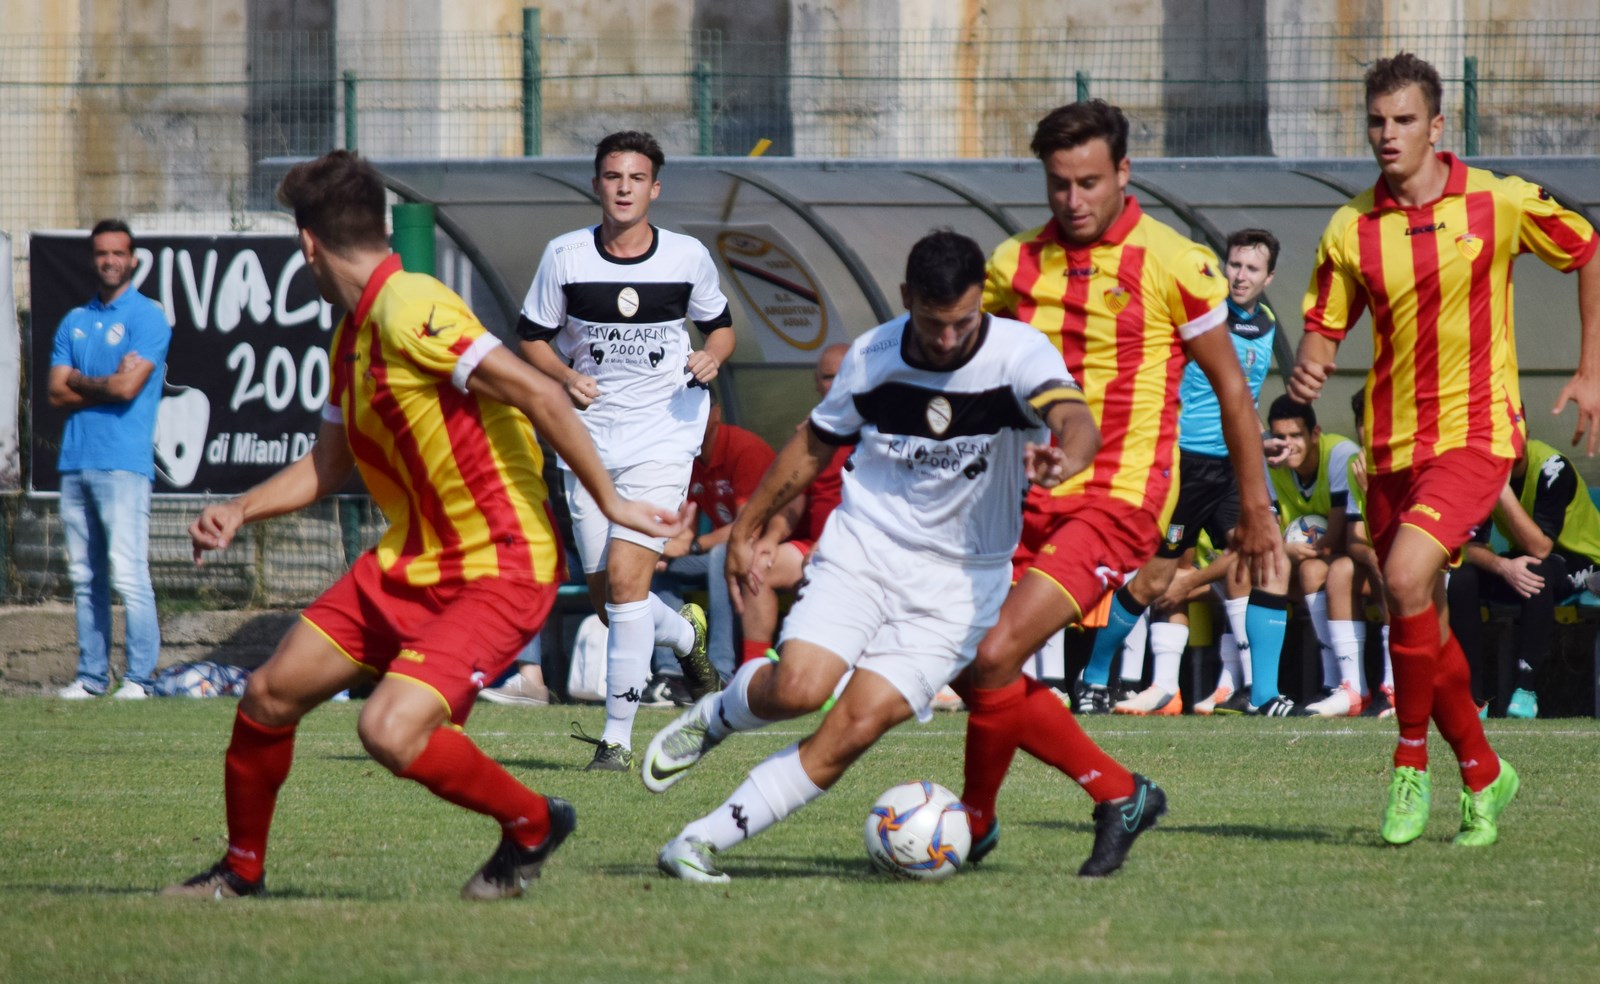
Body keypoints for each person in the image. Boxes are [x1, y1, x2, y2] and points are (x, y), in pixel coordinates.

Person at [164, 150, 687, 901]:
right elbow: (328, 466)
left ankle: (535, 823)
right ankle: (240, 871)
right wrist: (240, 508)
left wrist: (613, 505)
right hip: (410, 563)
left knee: (388, 730)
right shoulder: (351, 335)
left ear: (308, 243)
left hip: (499, 565)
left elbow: (541, 393)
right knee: (269, 695)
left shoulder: (413, 307)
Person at [640, 230, 1100, 882]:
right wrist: (747, 526)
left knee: (852, 730)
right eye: (934, 323)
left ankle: (696, 843)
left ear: (981, 305)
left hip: (958, 588)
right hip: (865, 551)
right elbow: (812, 447)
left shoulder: (1019, 353)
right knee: (799, 689)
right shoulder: (872, 355)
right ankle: (718, 713)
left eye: (963, 322)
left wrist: (1065, 456)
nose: (947, 340)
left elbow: (1077, 420)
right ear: (908, 298)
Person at [957, 100, 1281, 872]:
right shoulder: (1013, 266)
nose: (1074, 200)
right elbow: (975, 366)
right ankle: (1110, 793)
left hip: (1120, 500)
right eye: (1059, 183)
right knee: (970, 662)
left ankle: (985, 816)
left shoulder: (1175, 261)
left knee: (997, 652)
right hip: (1022, 496)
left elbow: (1233, 390)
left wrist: (1258, 509)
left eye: (1090, 182)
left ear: (1123, 173)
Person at [1290, 52, 1600, 847]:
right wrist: (1316, 355)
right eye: (1376, 122)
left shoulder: (1495, 201)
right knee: (1416, 611)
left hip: (1476, 432)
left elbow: (1587, 246)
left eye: (1402, 121)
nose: (1387, 136)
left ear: (1437, 126)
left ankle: (1408, 765)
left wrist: (1591, 367)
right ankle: (1485, 773)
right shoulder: (1351, 226)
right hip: (1390, 444)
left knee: (1398, 576)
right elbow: (1327, 317)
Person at [516, 130, 733, 770]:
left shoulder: (688, 257)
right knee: (613, 604)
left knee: (628, 581)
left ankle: (615, 741)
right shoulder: (565, 256)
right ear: (597, 185)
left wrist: (710, 357)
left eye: (636, 178)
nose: (623, 188)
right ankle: (686, 632)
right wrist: (565, 375)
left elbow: (720, 329)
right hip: (588, 439)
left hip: (665, 433)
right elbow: (530, 338)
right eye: (613, 177)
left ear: (654, 189)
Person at [1068, 226, 1294, 717]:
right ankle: (1092, 678)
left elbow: (1242, 397)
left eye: (1252, 268)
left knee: (1273, 559)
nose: (1240, 276)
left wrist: (1259, 439)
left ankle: (1264, 695)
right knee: (1154, 581)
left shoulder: (1269, 322)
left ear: (1269, 276)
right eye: (1234, 264)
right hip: (1184, 465)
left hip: (1235, 466)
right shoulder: (1199, 315)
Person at [49, 219, 171, 701]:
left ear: (133, 259)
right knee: (85, 577)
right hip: (75, 462)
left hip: (123, 463)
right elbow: (56, 393)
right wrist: (97, 384)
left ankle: (139, 678)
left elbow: (127, 388)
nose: (110, 261)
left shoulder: (148, 317)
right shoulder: (73, 320)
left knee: (127, 572)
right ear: (93, 259)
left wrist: (82, 379)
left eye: (118, 253)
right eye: (102, 253)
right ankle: (91, 676)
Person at [1449, 436, 1600, 719]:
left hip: (1588, 563)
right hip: (1528, 558)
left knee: (1535, 571)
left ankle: (1525, 690)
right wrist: (1502, 566)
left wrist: (1502, 491)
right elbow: (1465, 547)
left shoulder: (1552, 467)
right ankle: (1472, 698)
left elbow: (1542, 547)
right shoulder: (1479, 470)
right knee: (1462, 578)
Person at [1260, 395, 1366, 716]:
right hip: (1298, 559)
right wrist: (1284, 549)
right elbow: (1265, 533)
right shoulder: (1268, 464)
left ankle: (1346, 684)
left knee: (1318, 571)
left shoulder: (1341, 455)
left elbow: (1336, 539)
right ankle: (1247, 686)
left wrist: (1289, 550)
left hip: (1347, 559)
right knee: (1256, 572)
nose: (1287, 445)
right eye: (1279, 437)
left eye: (1295, 436)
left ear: (1315, 434)